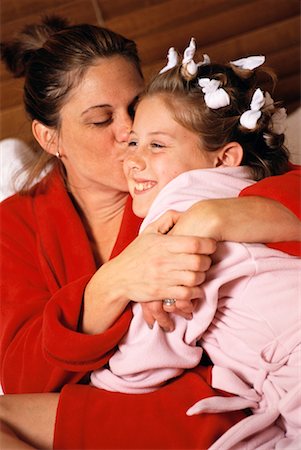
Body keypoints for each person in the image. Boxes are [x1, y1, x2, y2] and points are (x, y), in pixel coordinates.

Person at [0, 17, 300, 450]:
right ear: (50, 138)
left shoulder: (184, 170)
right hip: (133, 405)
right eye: (102, 120)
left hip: (225, 396)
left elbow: (282, 183)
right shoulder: (15, 225)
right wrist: (114, 282)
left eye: (135, 107)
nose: (129, 133)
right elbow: (22, 377)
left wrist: (214, 217)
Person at [90, 42, 301, 448]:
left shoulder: (178, 208)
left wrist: (97, 380)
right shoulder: (248, 197)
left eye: (157, 145)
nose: (132, 160)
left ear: (224, 158)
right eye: (134, 143)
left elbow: (155, 346)